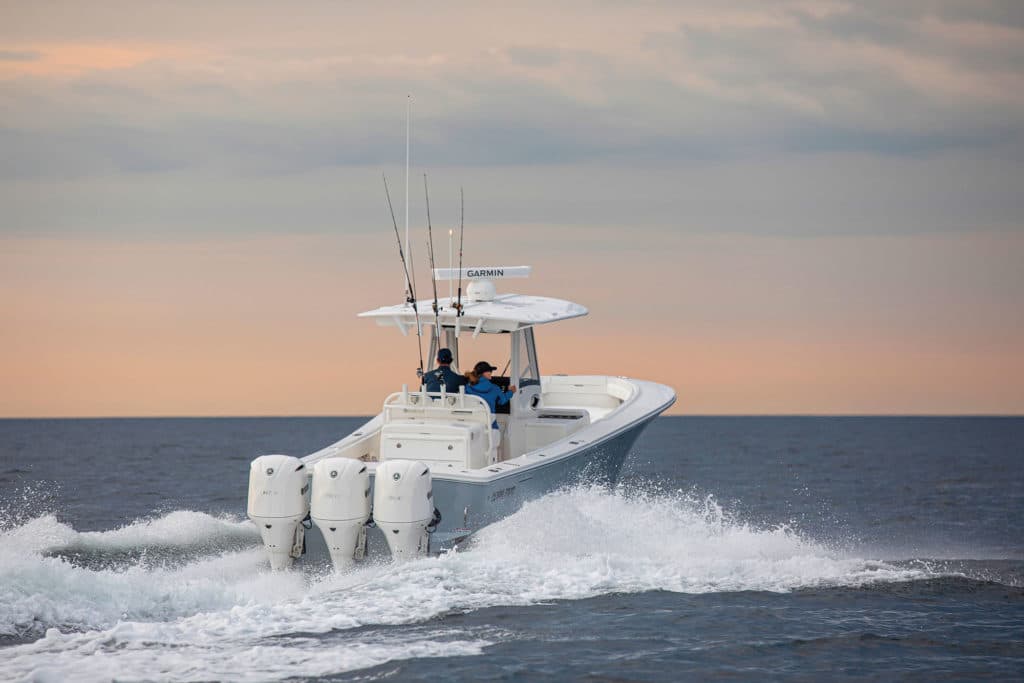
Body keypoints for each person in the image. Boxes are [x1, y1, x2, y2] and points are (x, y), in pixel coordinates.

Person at [465, 361, 516, 429]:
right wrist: (511, 391)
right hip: (490, 426)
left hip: (473, 424)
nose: (491, 373)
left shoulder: (467, 387)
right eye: (490, 371)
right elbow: (502, 401)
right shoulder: (494, 388)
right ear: (484, 373)